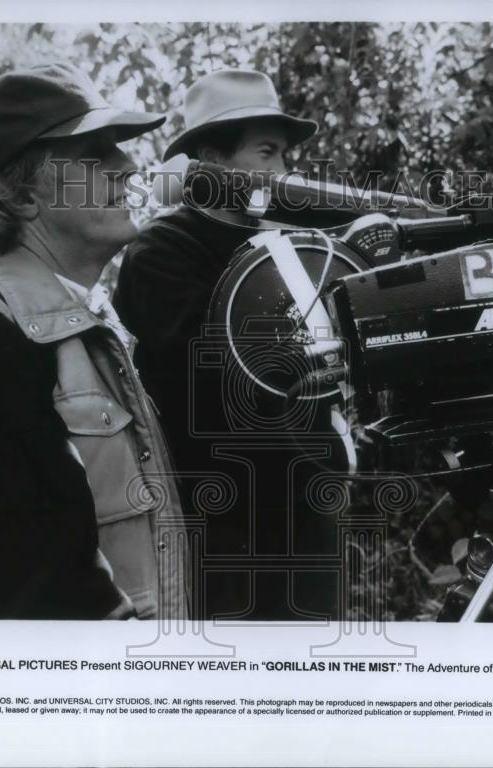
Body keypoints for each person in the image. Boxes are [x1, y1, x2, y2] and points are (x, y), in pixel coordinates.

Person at [0, 62, 191, 620]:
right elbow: (34, 594)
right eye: (95, 155)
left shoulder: (75, 323)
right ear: (25, 197)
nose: (128, 167)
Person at [115, 69, 346, 621]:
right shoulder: (162, 252)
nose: (282, 172)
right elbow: (221, 367)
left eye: (285, 156)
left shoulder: (289, 246)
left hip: (305, 518)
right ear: (211, 161)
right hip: (220, 528)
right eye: (267, 153)